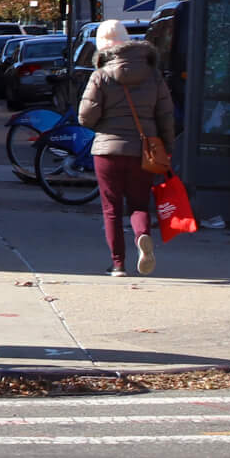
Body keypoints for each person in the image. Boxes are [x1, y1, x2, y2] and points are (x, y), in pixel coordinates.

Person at [77, 18, 177, 277]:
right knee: (139, 203)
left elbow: (85, 117)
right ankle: (142, 235)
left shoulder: (100, 75)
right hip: (142, 150)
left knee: (111, 209)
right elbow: (166, 114)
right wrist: (167, 146)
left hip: (107, 151)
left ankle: (118, 264)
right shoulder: (153, 74)